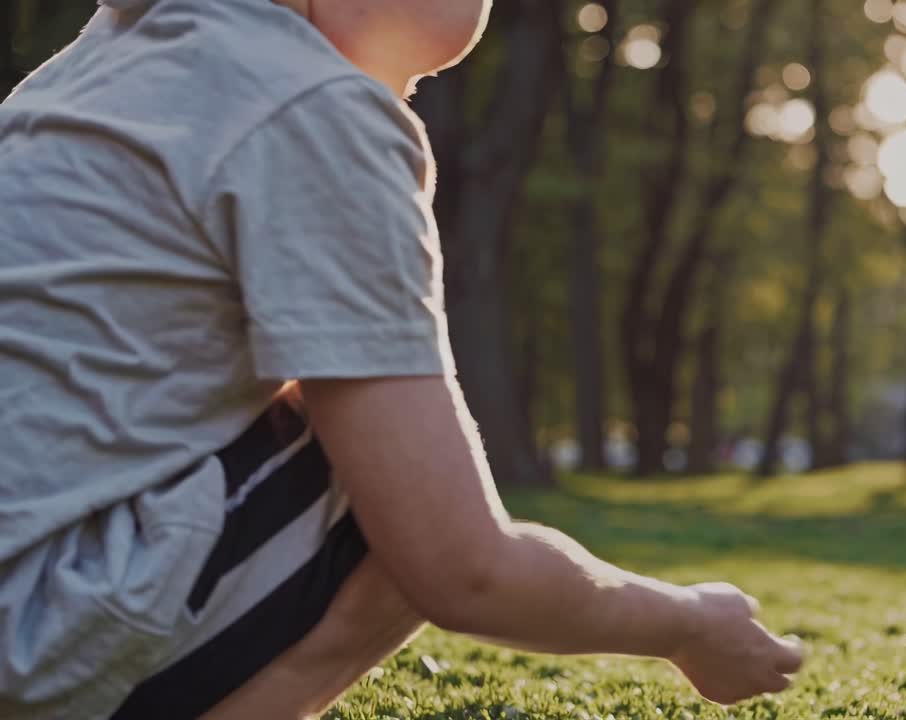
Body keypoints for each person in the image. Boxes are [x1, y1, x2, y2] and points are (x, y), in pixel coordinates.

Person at [0, 1, 805, 718]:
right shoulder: (309, 103)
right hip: (32, 635)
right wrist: (691, 625)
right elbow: (462, 568)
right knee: (396, 497)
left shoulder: (90, 70)